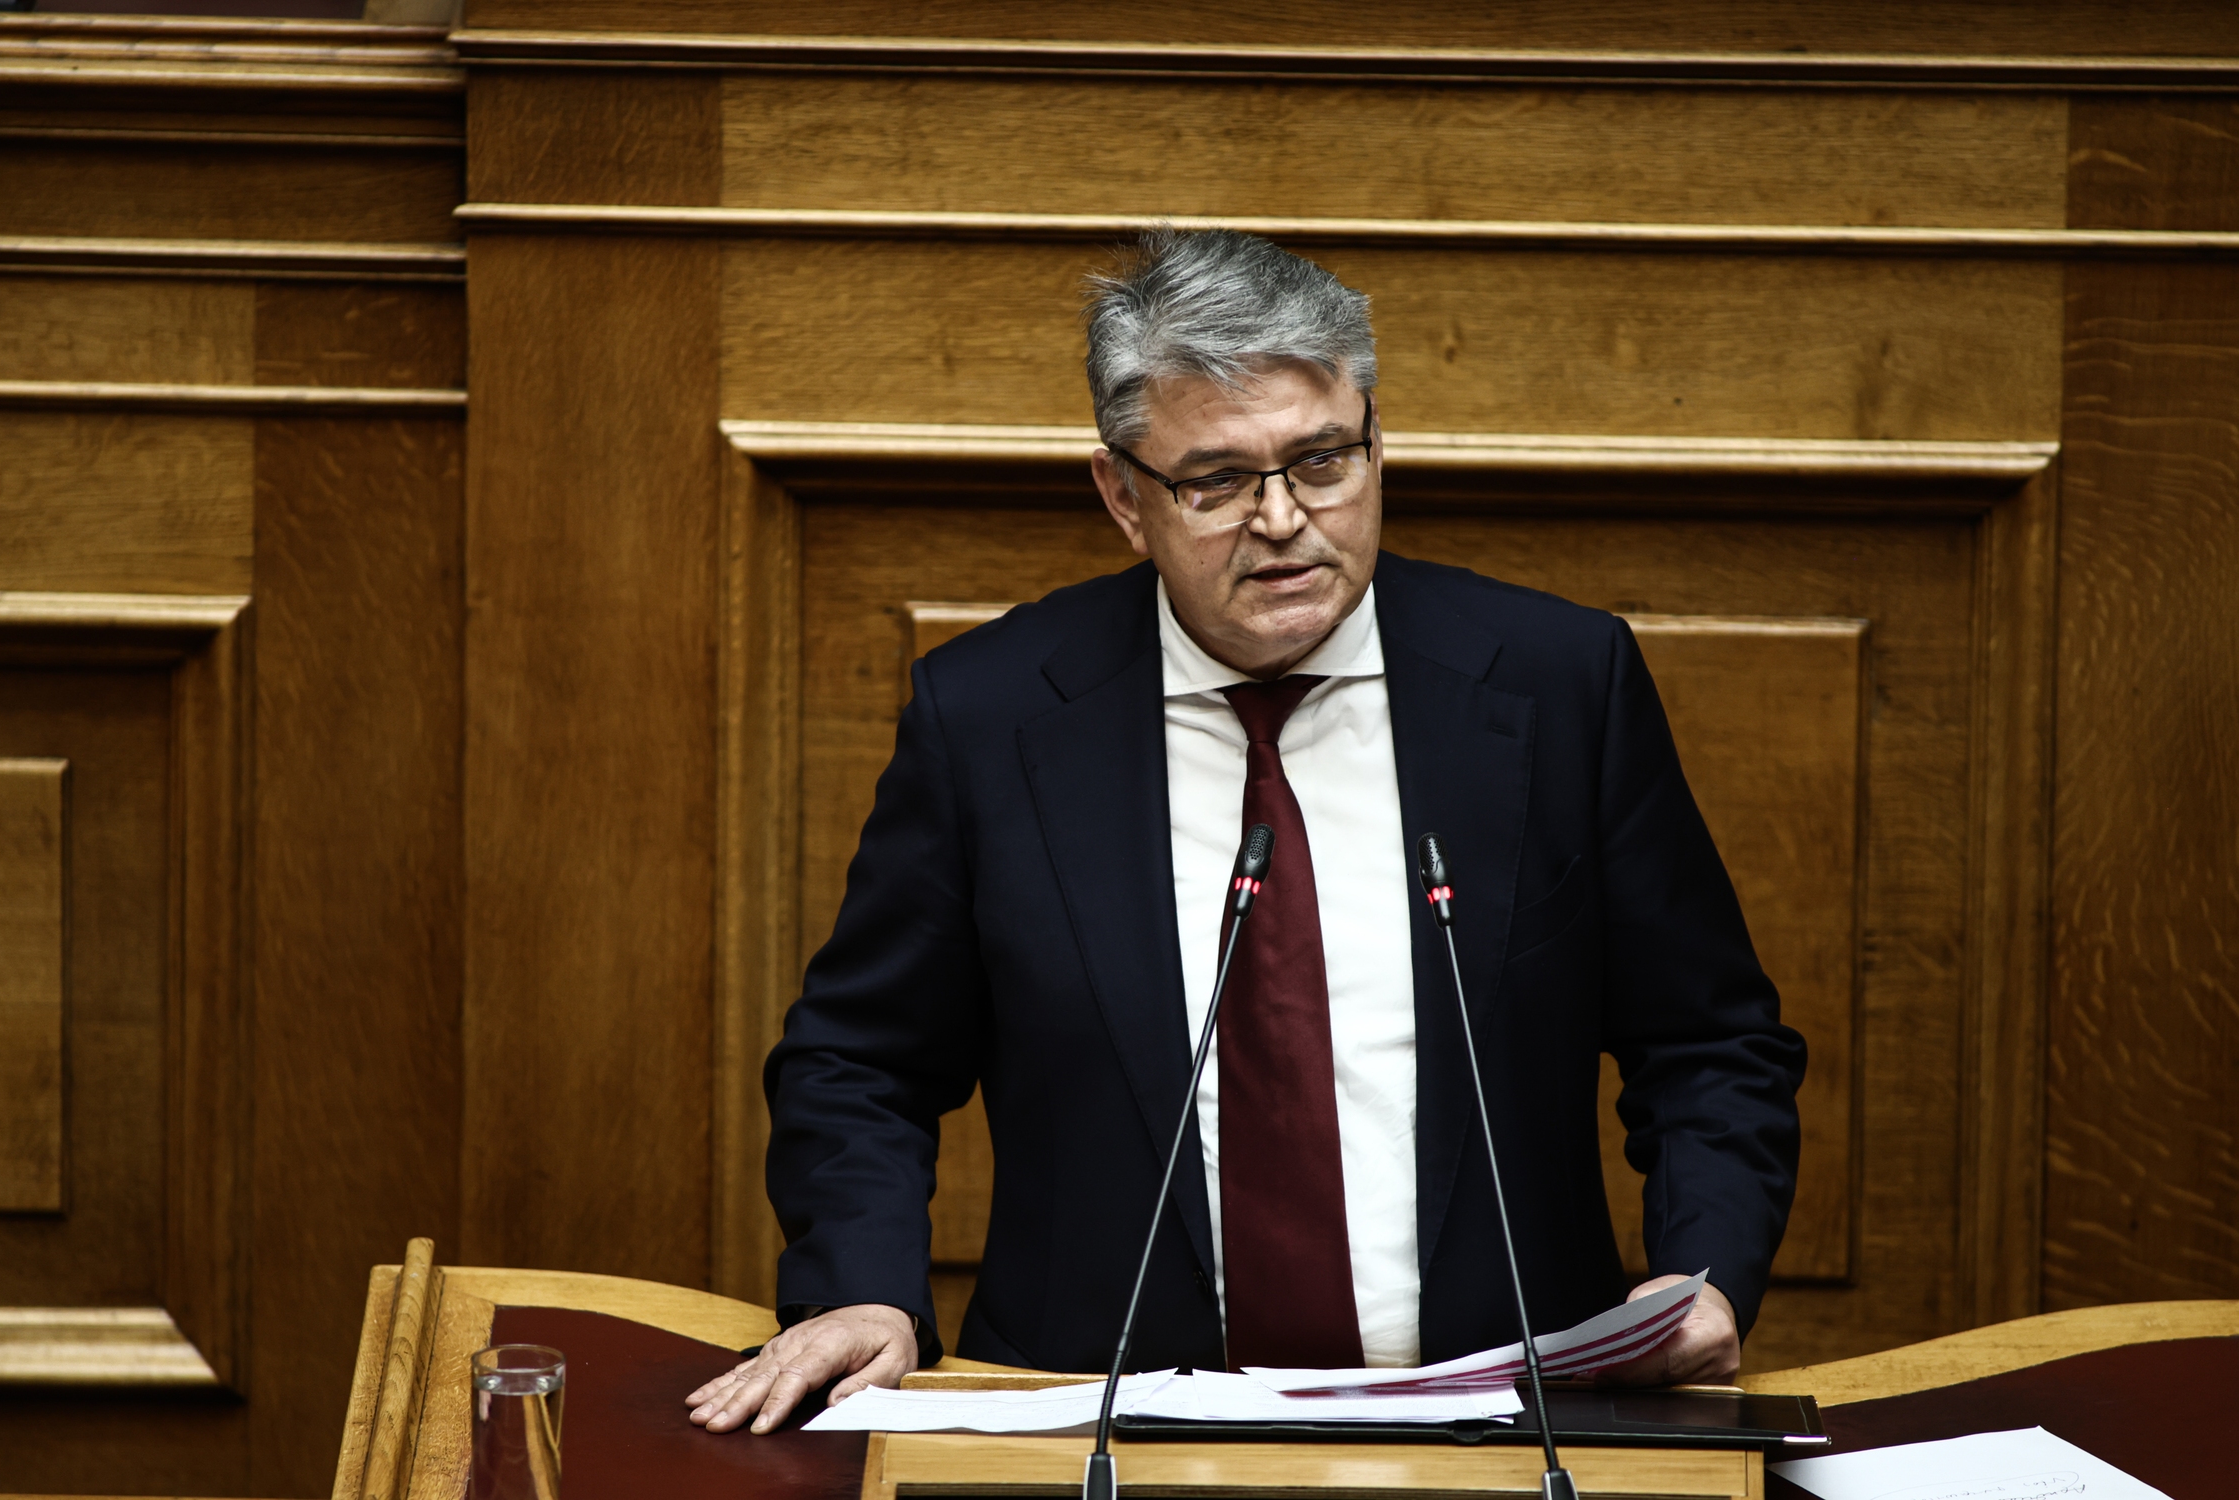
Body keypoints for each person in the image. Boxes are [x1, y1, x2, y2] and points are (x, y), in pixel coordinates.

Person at [688, 229, 1806, 1435]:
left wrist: (1701, 1273)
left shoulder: (1558, 685)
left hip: (1505, 1418)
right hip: (1103, 1426)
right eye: (1217, 480)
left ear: (1377, 447)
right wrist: (863, 1286)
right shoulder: (992, 718)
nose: (1282, 519)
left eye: (1321, 461)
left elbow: (1708, 1041)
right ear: (1124, 497)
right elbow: (863, 1059)